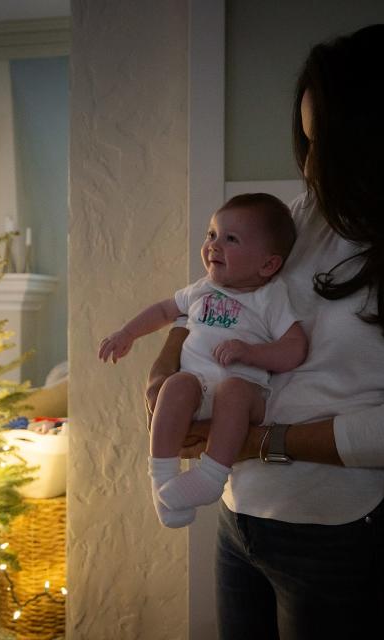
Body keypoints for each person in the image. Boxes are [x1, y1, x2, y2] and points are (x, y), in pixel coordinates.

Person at [145, 24, 384, 639]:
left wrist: (254, 441)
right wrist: (166, 367)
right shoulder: (310, 212)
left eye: (328, 146)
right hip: (241, 514)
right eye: (309, 142)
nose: (309, 167)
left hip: (343, 534)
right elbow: (215, 296)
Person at [100, 193, 308, 528]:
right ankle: (162, 481)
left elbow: (295, 348)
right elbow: (165, 310)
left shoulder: (270, 296)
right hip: (198, 387)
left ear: (267, 264)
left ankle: (211, 476)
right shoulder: (202, 288)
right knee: (175, 384)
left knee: (233, 391)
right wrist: (127, 334)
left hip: (247, 392)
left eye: (231, 239)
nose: (214, 245)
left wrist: (251, 353)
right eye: (211, 234)